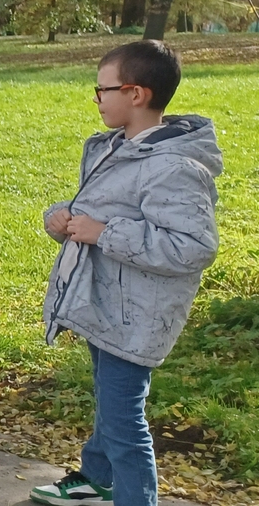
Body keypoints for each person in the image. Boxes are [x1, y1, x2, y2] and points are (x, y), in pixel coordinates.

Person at [31, 41, 220, 506]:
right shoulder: (115, 148)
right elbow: (101, 210)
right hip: (103, 304)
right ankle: (98, 478)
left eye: (103, 89)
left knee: (123, 421)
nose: (97, 99)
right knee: (109, 402)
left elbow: (192, 247)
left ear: (136, 93)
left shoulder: (173, 166)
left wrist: (103, 233)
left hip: (137, 317)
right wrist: (63, 218)